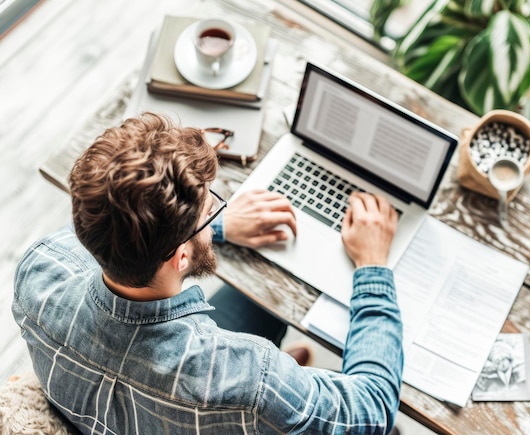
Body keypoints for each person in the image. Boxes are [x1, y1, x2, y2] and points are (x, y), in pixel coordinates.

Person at [13, 112, 403, 434]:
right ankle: (291, 399)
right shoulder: (250, 379)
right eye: (210, 209)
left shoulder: (41, 269)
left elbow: (112, 227)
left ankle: (293, 391)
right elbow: (372, 408)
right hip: (224, 403)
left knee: (253, 301)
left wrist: (216, 227)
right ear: (181, 257)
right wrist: (372, 265)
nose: (217, 209)